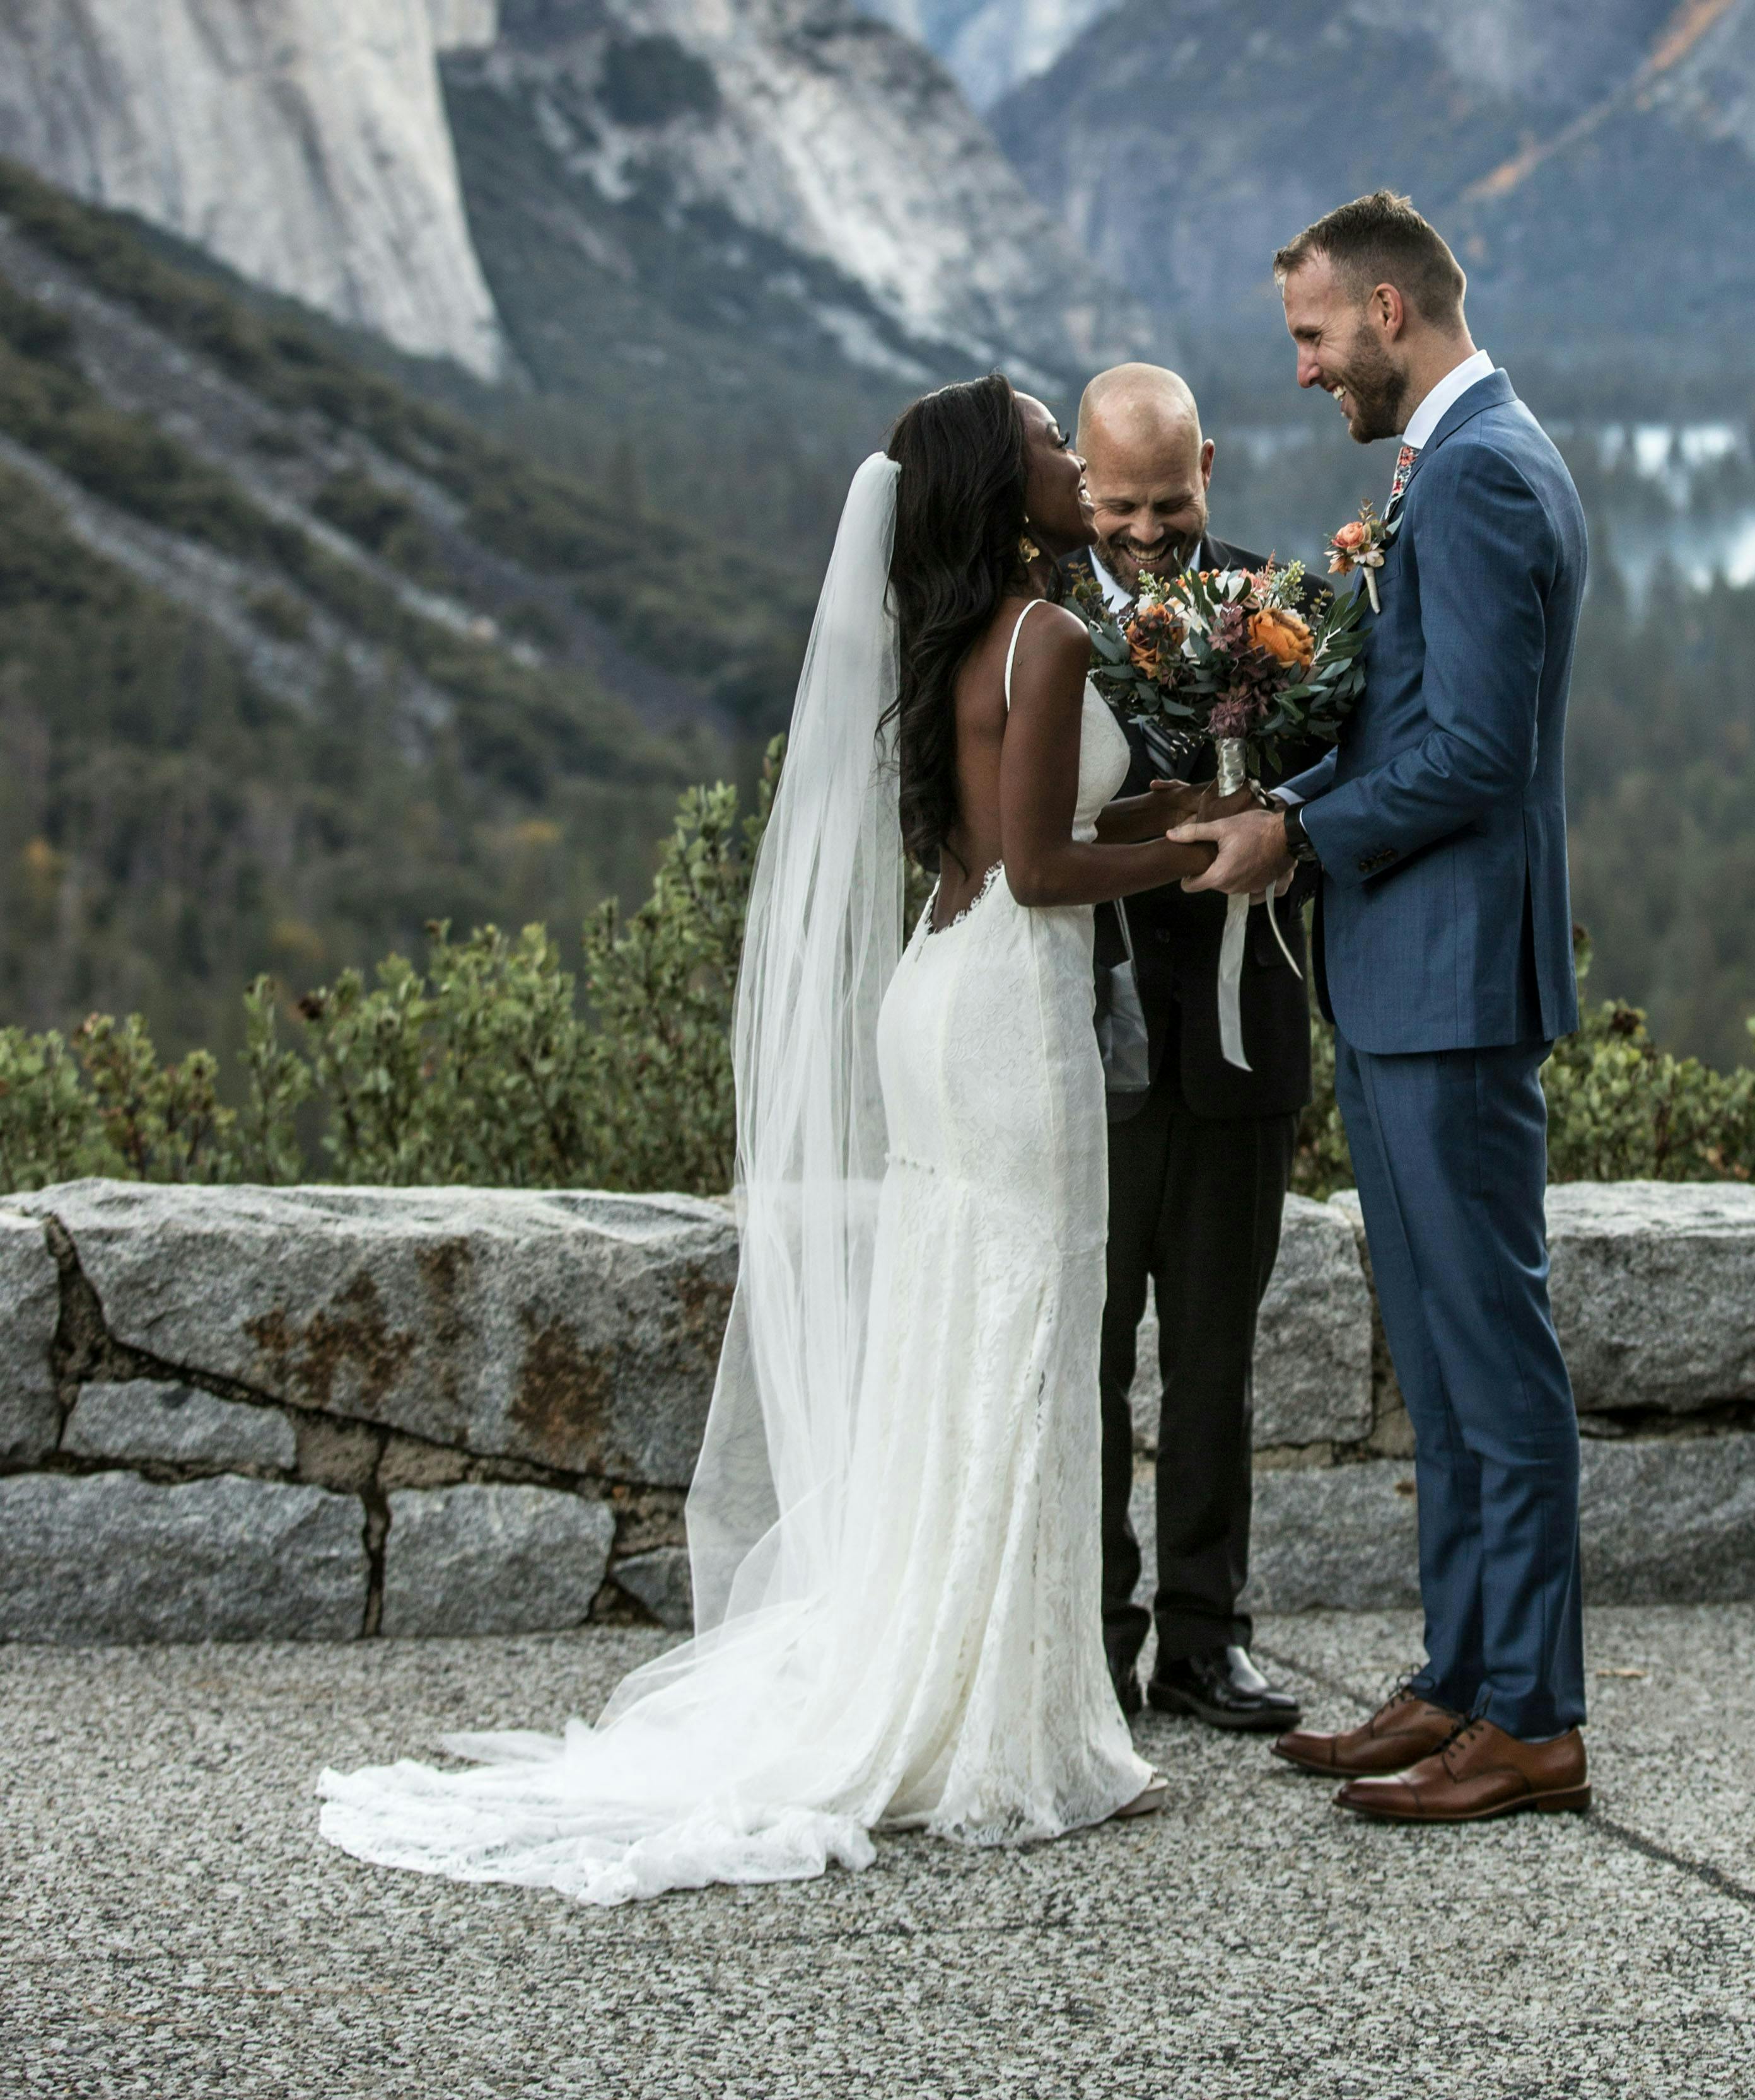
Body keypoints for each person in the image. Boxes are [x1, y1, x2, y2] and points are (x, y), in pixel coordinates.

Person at [318, 376, 1251, 1903]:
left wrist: (1184, 800)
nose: (1066, 456)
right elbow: (1041, 863)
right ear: (993, 484)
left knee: (965, 1329)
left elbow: (1020, 820)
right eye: (1038, 438)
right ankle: (1014, 1732)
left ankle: (984, 1687)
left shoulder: (957, 631)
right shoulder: (1055, 632)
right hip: (1011, 1015)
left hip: (935, 992)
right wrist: (1205, 857)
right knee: (1019, 1340)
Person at [1174, 192, 1592, 1823]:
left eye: (1312, 334)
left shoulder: (1482, 473)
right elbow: (1417, 713)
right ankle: (1461, 1677)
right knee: (1439, 1350)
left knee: (1493, 1353)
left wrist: (1302, 834)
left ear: (1391, 313)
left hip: (1455, 979)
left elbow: (1481, 754)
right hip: (1409, 970)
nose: (1301, 371)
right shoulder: (1449, 461)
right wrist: (1264, 791)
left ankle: (1536, 1716)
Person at [1073, 363, 1314, 1733]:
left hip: (1240, 1045)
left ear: (1207, 468)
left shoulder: (1278, 615)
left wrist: (1289, 841)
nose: (1149, 532)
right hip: (1088, 1056)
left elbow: (1328, 791)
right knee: (1089, 1361)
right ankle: (1096, 1641)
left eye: (1170, 502)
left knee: (1214, 1357)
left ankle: (1207, 1640)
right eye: (1121, 505)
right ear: (1083, 489)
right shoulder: (1041, 618)